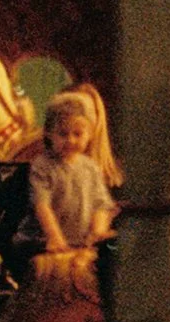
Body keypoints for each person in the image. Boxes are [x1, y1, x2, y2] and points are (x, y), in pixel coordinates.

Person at [23, 89, 118, 257]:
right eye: (63, 134)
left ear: (89, 134)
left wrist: (97, 232)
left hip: (80, 242)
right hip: (43, 239)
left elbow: (101, 205)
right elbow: (41, 205)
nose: (71, 140)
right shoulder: (43, 166)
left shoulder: (91, 168)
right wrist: (54, 236)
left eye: (78, 134)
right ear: (49, 134)